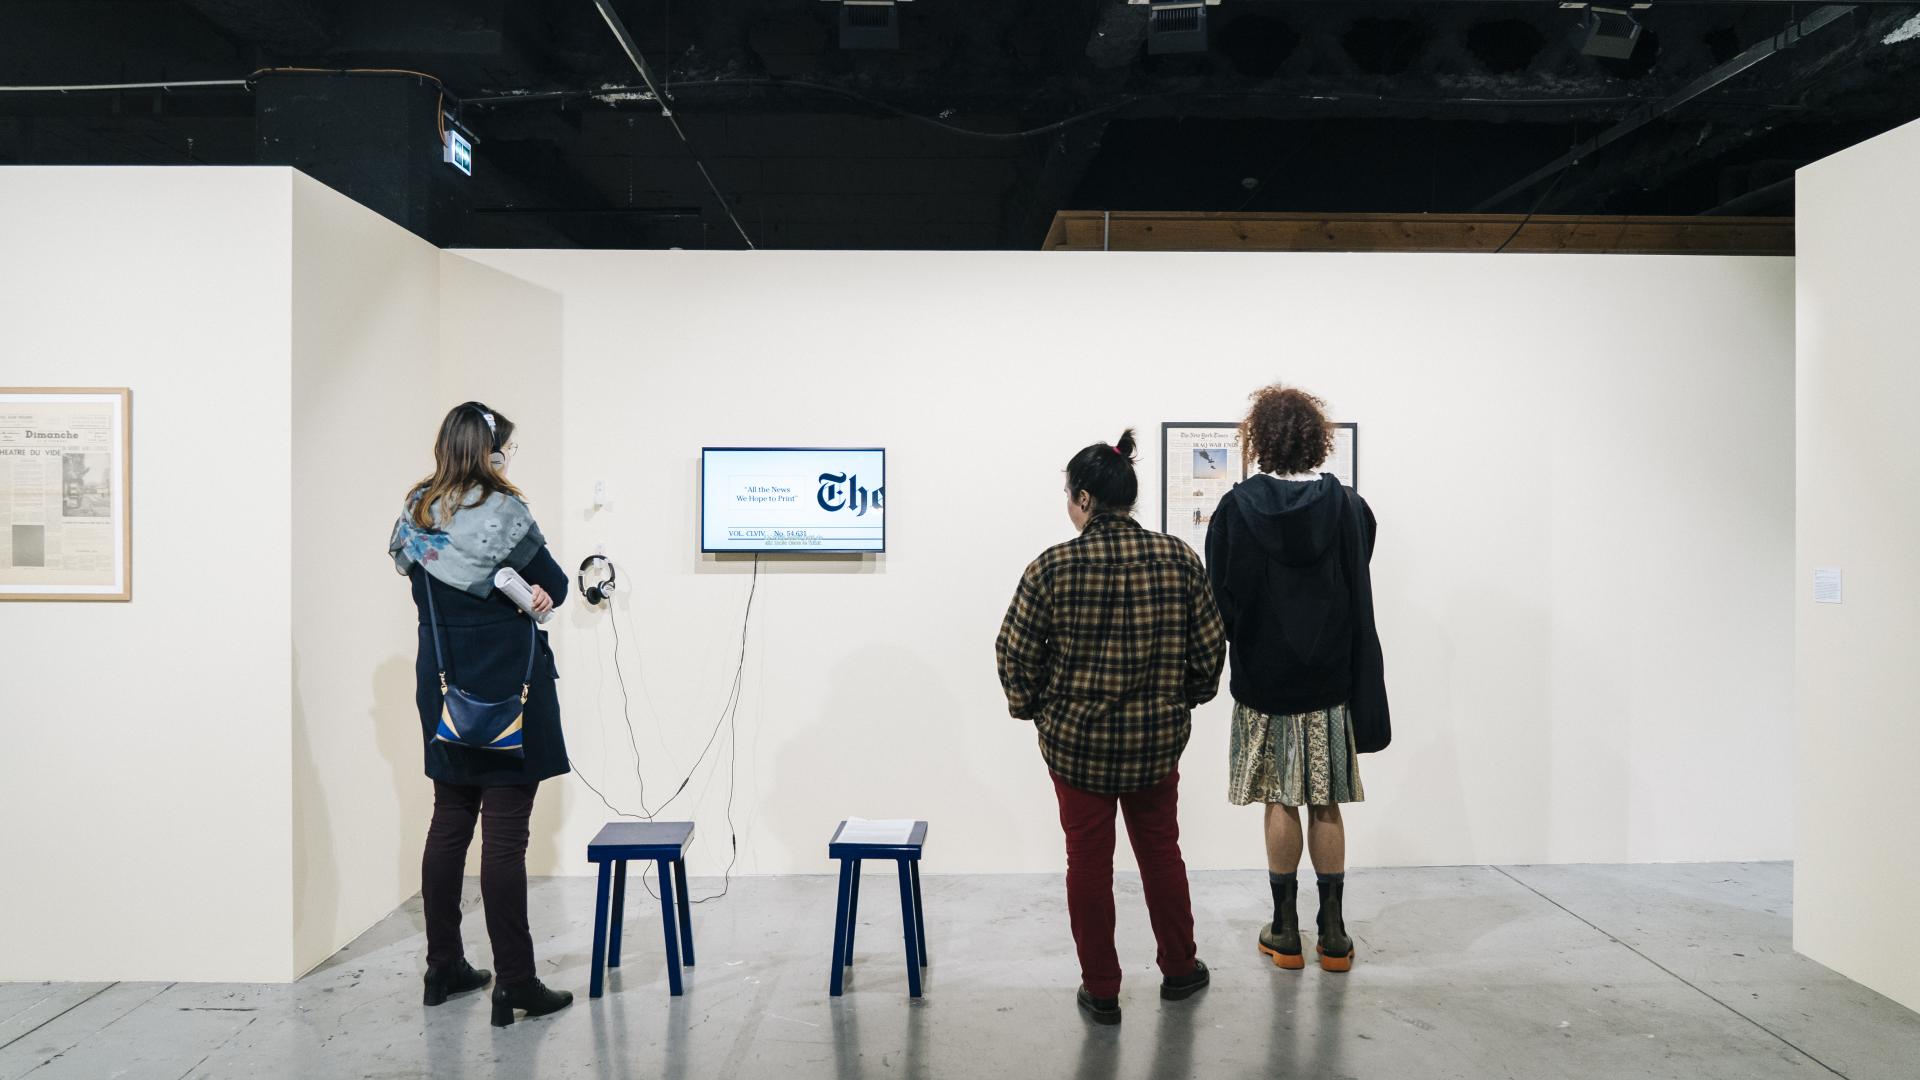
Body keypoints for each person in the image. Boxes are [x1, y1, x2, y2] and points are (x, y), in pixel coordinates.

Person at [996, 429, 1227, 1025]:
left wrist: (1038, 711)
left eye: (1069, 496)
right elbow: (1210, 651)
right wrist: (1182, 701)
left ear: (1084, 499)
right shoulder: (1179, 559)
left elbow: (1014, 654)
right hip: (1155, 745)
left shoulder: (1052, 567)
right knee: (1161, 853)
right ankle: (1180, 969)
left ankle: (1101, 989)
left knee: (1088, 864)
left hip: (1077, 749)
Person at [388, 401, 574, 1027]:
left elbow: (429, 592)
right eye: (506, 449)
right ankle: (515, 980)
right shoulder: (504, 513)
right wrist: (533, 593)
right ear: (491, 452)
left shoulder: (417, 511)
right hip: (507, 688)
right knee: (505, 837)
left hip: (444, 686)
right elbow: (554, 585)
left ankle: (443, 966)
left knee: (448, 822)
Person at [1205, 385, 1390, 975]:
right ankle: (1333, 933)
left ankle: (1285, 931)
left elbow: (1220, 598)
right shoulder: (1349, 508)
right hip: (1329, 680)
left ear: (1259, 438)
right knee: (1325, 800)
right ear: (1316, 439)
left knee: (1280, 797)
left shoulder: (1235, 510)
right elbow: (1358, 568)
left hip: (1264, 680)